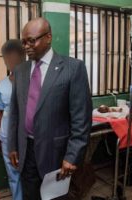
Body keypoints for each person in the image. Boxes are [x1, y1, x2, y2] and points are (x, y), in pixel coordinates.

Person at [8, 18, 92, 200]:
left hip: (57, 153)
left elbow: (81, 119)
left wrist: (72, 155)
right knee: (30, 195)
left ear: (48, 37)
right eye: (23, 42)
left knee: (55, 197)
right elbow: (15, 111)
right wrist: (13, 145)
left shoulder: (72, 68)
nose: (26, 46)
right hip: (26, 151)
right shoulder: (20, 70)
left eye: (32, 40)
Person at [0, 39, 25, 200]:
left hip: (28, 136)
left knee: (29, 173)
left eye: (16, 58)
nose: (12, 62)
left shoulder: (34, 81)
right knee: (13, 174)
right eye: (8, 59)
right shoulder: (2, 85)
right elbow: (0, 113)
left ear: (24, 57)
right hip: (7, 137)